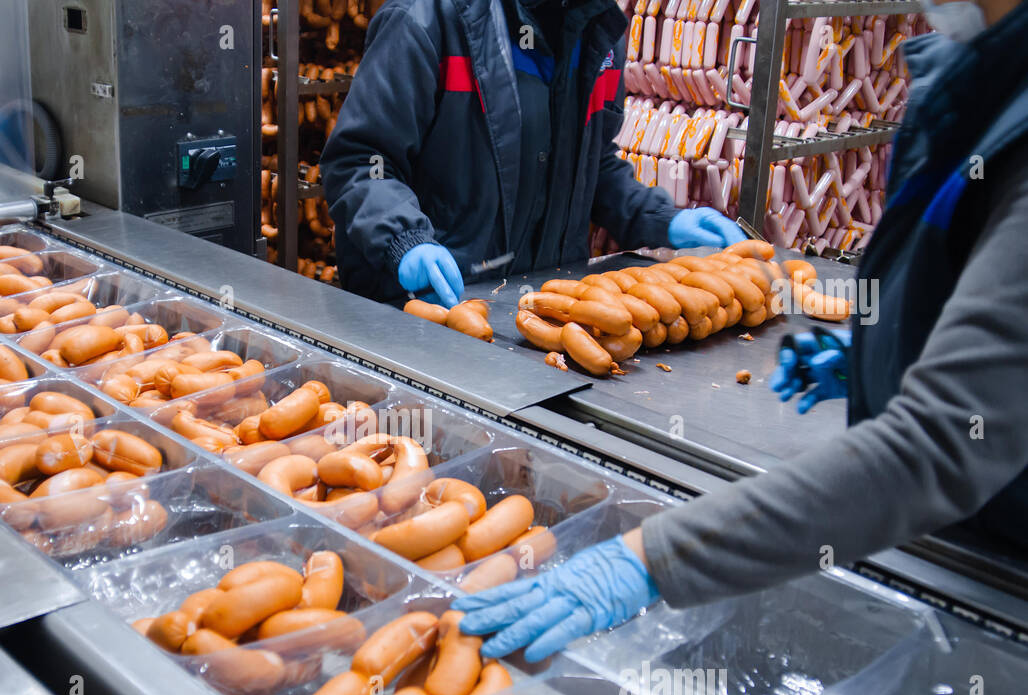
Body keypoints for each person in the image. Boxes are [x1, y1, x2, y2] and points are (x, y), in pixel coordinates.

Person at [454, 0, 1028, 660]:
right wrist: (890, 353)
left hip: (996, 571)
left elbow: (941, 443)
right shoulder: (989, 81)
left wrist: (651, 557)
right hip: (963, 534)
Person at [320, 0, 747, 308]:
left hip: (541, 316)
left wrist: (661, 220)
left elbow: (590, 165)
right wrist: (404, 240)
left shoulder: (600, 35)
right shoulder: (427, 21)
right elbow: (360, 159)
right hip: (430, 312)